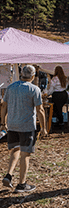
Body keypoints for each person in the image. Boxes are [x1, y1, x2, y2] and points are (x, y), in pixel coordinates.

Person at [1, 65, 47, 193]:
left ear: (21, 74)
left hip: (12, 125)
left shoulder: (10, 87)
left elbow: (4, 105)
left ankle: (9, 175)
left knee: (15, 151)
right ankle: (21, 184)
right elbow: (40, 110)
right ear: (32, 76)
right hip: (26, 127)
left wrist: (3, 123)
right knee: (25, 155)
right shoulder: (34, 89)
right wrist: (43, 127)